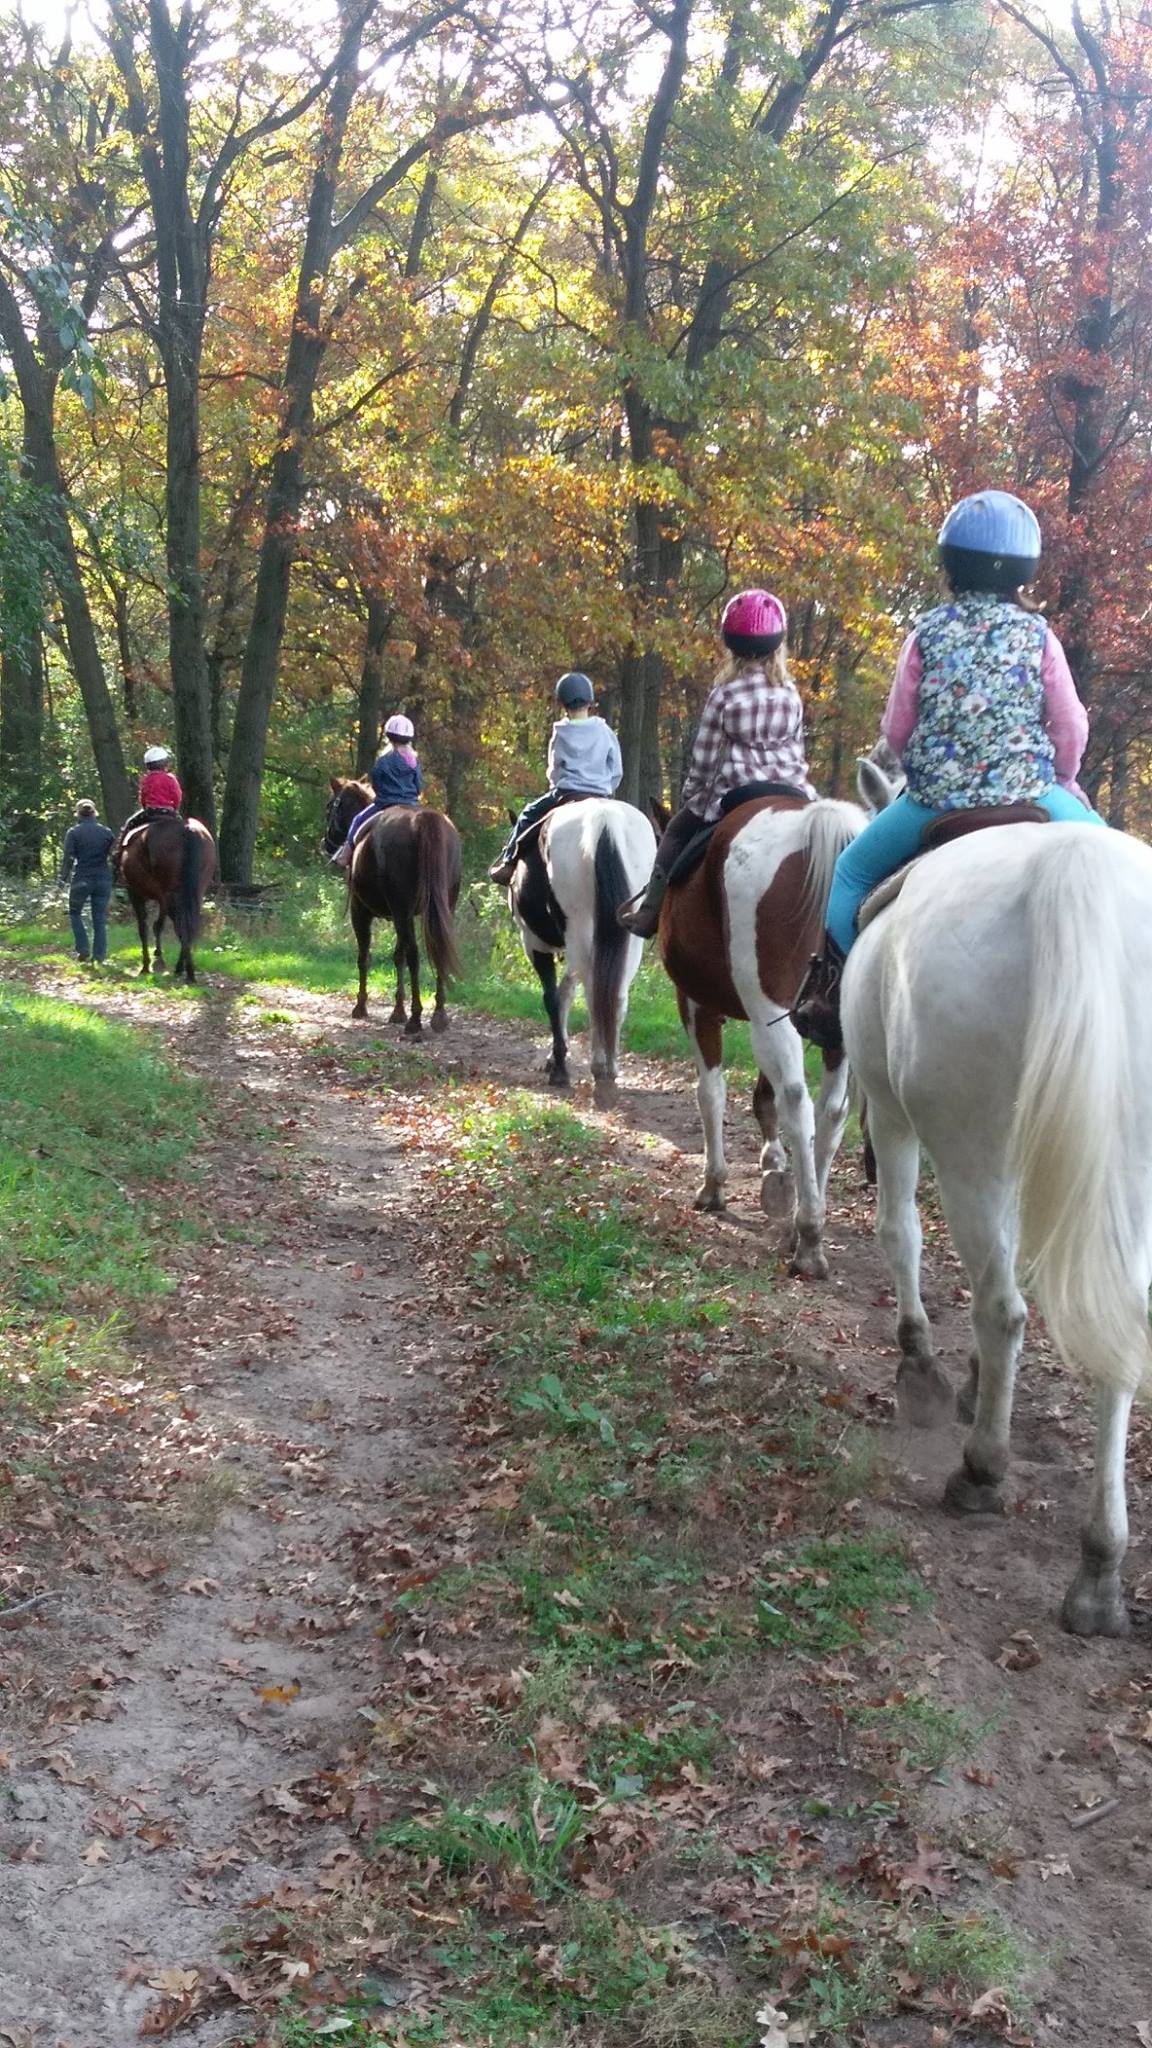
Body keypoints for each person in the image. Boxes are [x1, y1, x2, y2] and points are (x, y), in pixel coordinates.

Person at [791, 489, 1107, 1054]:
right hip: (1033, 794)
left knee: (850, 875)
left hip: (937, 803)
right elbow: (1069, 726)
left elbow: (896, 730)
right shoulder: (1039, 636)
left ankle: (833, 998)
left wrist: (929, 768)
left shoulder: (927, 633)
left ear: (950, 564)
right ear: (1022, 571)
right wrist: (1063, 778)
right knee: (1110, 867)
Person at [618, 589, 812, 937]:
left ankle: (649, 912)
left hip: (738, 791)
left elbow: (705, 760)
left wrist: (692, 798)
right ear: (778, 645)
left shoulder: (725, 694)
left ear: (731, 646)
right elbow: (797, 751)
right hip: (792, 790)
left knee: (675, 832)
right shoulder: (791, 693)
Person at [488, 673, 623, 884]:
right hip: (600, 795)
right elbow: (616, 770)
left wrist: (558, 783)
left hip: (566, 794)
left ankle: (508, 863)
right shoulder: (605, 732)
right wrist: (605, 788)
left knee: (526, 816)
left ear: (563, 704)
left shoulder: (561, 732)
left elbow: (554, 770)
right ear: (590, 701)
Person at [332, 714, 423, 868]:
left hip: (385, 804)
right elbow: (419, 785)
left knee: (357, 820)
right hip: (412, 805)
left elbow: (376, 783)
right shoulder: (413, 761)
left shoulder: (384, 760)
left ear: (389, 737)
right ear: (409, 738)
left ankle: (345, 856)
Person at [60, 798, 115, 965]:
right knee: (99, 917)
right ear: (94, 813)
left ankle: (83, 948)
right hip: (103, 879)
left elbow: (68, 859)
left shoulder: (74, 832)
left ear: (78, 814)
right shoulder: (106, 832)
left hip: (82, 879)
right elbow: (115, 856)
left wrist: (61, 880)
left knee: (75, 913)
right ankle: (99, 956)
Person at [112, 745, 183, 872]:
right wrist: (175, 810)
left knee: (128, 825)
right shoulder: (170, 778)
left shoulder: (146, 779)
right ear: (165, 763)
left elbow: (143, 797)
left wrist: (146, 807)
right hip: (169, 811)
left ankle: (118, 856)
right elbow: (177, 796)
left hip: (150, 812)